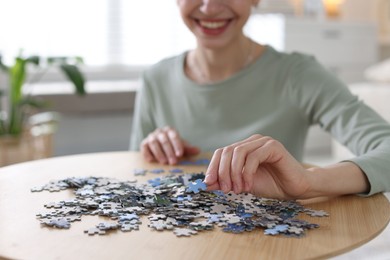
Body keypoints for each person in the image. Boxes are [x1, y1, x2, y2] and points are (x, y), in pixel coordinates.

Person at [130, 0, 390, 200]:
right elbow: (130, 178)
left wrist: (307, 181)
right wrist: (150, 149)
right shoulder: (155, 79)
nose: (209, 7)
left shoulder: (298, 75)